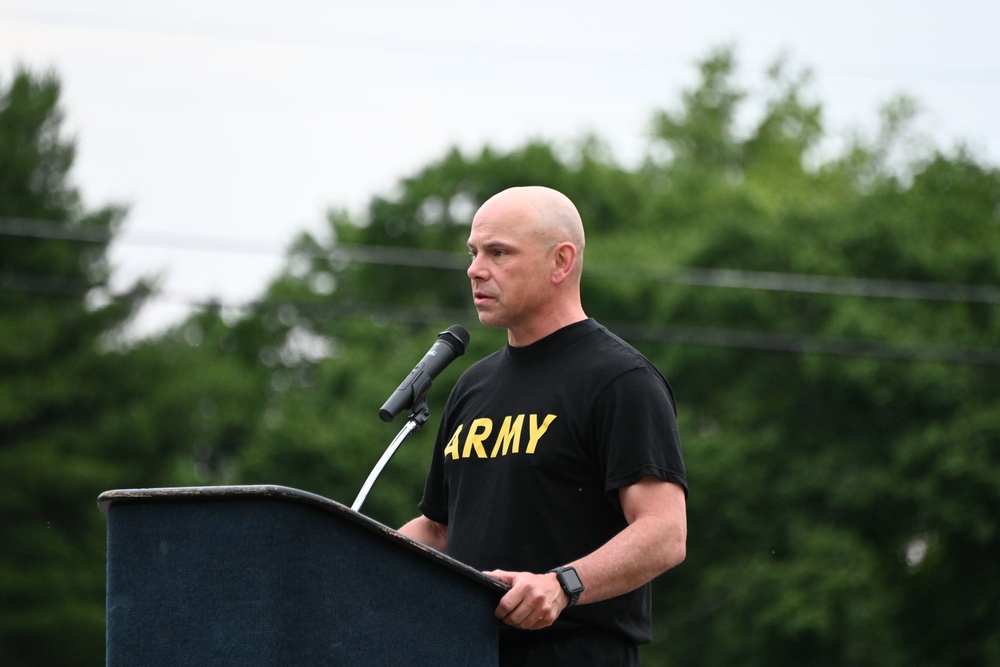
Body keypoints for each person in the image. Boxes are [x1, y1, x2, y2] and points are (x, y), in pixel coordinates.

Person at [399, 185, 687, 666]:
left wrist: (562, 585)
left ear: (561, 262)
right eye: (473, 253)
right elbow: (439, 530)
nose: (475, 269)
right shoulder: (473, 386)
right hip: (464, 652)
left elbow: (664, 531)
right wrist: (344, 559)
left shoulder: (620, 381)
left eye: (498, 252)